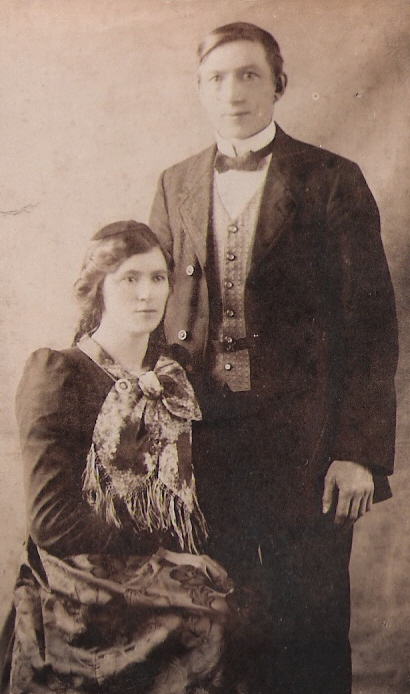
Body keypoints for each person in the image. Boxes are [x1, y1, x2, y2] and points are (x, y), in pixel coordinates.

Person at [149, 22, 398, 694]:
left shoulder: (331, 179)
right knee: (220, 628)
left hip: (308, 447)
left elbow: (371, 328)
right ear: (200, 90)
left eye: (249, 75)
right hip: (206, 448)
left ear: (278, 85)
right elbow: (153, 315)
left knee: (310, 625)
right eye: (216, 78)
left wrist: (358, 453)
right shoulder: (175, 184)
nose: (233, 92)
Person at [7, 220, 233, 694]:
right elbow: (51, 521)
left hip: (161, 569)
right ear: (98, 289)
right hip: (81, 580)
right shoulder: (59, 374)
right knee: (208, 620)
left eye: (157, 278)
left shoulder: (177, 376)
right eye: (129, 278)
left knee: (244, 612)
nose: (146, 294)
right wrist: (162, 556)